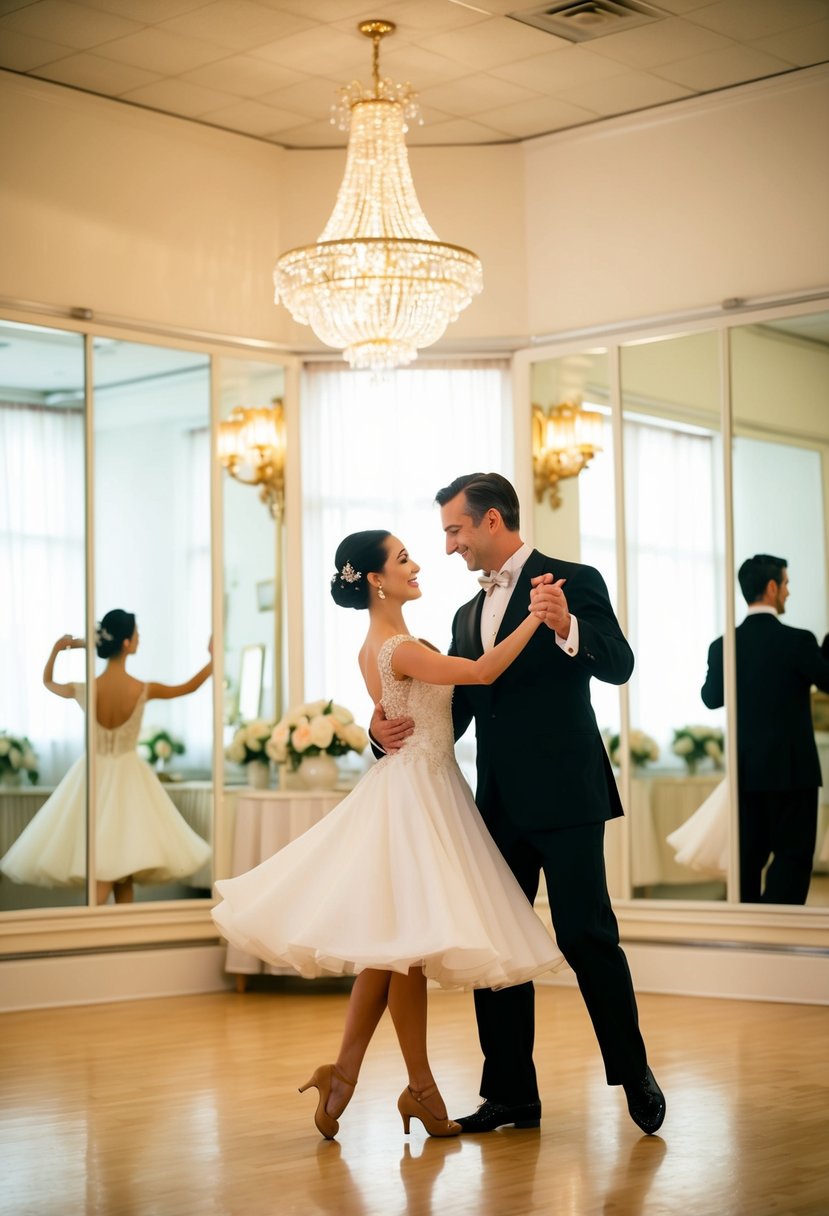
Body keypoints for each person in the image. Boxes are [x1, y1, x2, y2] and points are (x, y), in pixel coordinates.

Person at [211, 529, 563, 1141]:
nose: (417, 563)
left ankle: (344, 1076)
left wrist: (379, 728)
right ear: (376, 579)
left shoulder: (381, 644)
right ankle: (419, 1087)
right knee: (405, 953)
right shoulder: (397, 645)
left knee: (391, 952)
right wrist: (536, 618)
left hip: (418, 785)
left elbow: (401, 714)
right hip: (416, 797)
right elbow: (480, 672)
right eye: (403, 558)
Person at [371, 473, 666, 1136]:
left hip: (567, 797)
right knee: (495, 949)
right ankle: (510, 1095)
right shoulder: (460, 616)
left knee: (586, 937)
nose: (447, 546)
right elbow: (451, 706)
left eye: (455, 530)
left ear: (493, 521)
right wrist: (380, 729)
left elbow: (617, 664)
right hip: (495, 807)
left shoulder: (573, 579)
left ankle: (633, 1071)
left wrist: (566, 628)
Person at [0, 609, 213, 904]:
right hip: (129, 778)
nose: (139, 639)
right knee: (114, 865)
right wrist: (213, 660)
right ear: (126, 642)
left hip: (92, 777)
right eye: (136, 634)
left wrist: (56, 651)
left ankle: (117, 941)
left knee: (121, 874)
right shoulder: (142, 689)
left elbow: (48, 682)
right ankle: (88, 935)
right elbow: (188, 687)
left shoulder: (86, 689)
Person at [700, 554, 829, 904]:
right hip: (794, 771)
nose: (788, 591)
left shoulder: (722, 644)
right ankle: (780, 929)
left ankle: (750, 932)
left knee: (747, 857)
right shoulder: (799, 641)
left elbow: (711, 698)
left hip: (746, 771)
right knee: (793, 857)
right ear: (772, 588)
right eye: (786, 583)